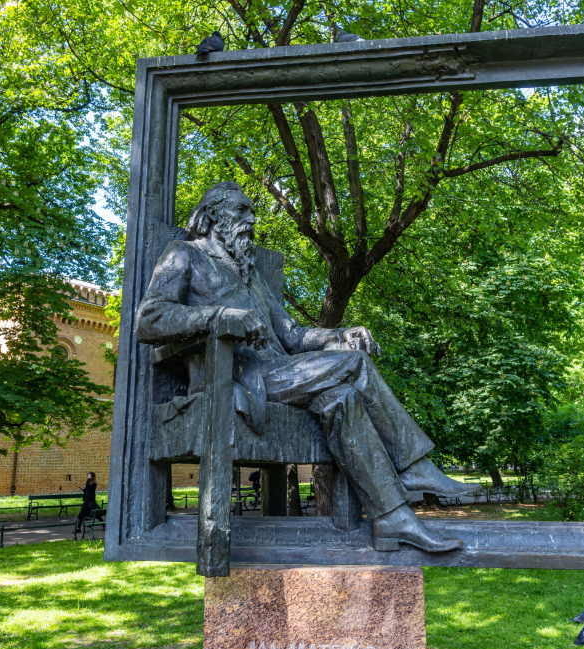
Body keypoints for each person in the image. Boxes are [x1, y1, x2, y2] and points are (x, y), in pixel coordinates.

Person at [136, 182, 480, 553]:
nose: (251, 219)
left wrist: (340, 334)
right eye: (241, 210)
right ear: (213, 215)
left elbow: (293, 335)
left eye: (252, 211)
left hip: (282, 373)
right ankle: (412, 466)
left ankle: (393, 517)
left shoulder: (251, 276)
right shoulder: (185, 254)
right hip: (234, 375)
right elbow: (149, 319)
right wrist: (218, 315)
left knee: (344, 396)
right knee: (355, 365)